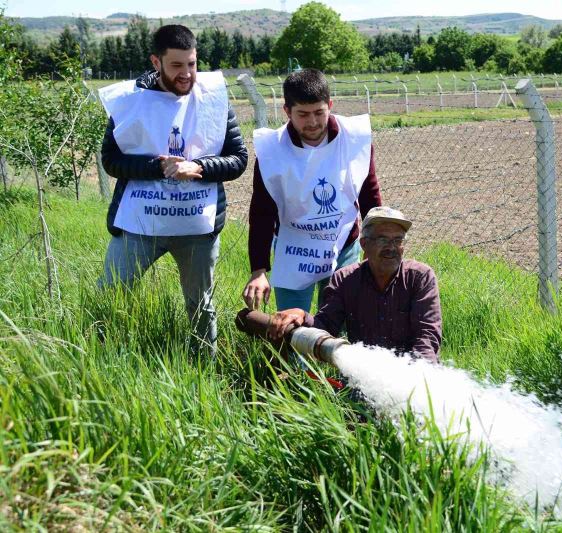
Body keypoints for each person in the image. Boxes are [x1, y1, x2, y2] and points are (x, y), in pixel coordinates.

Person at [97, 24, 248, 355]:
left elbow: (238, 159)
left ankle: (203, 372)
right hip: (140, 224)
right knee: (111, 293)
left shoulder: (213, 99)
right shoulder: (131, 103)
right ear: (156, 62)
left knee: (201, 309)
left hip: (197, 226)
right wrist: (156, 166)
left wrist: (200, 167)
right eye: (177, 65)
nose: (187, 74)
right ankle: (104, 360)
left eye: (192, 64)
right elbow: (111, 160)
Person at [242, 68, 382, 314]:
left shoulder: (354, 138)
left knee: (340, 322)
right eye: (303, 115)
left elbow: (369, 193)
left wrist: (377, 245)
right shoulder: (271, 151)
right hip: (294, 249)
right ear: (287, 111)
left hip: (343, 244)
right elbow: (262, 212)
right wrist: (258, 270)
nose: (313, 122)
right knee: (292, 328)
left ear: (330, 104)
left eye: (319, 112)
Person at [265, 206, 442, 363]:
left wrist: (419, 380)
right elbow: (326, 326)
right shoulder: (345, 279)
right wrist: (302, 315)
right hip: (364, 373)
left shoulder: (420, 277)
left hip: (413, 371)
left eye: (398, 240)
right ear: (364, 244)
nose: (392, 247)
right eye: (383, 240)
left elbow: (427, 337)